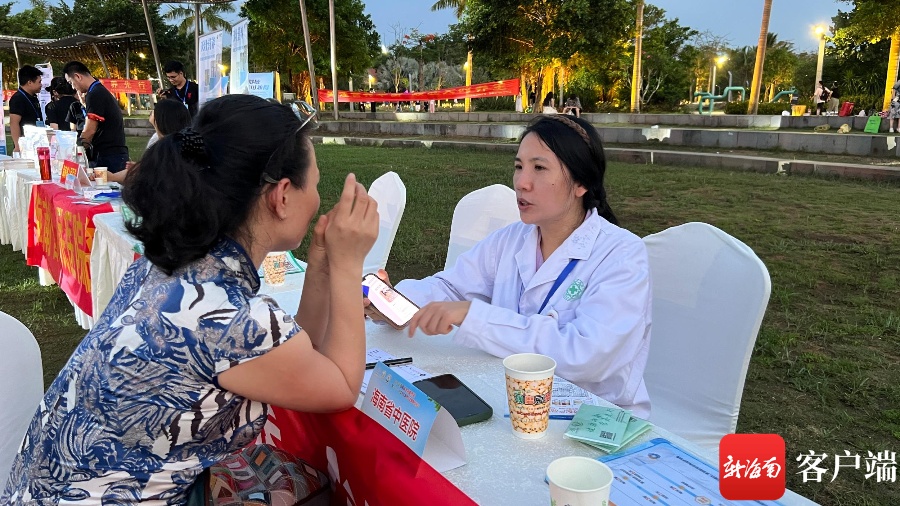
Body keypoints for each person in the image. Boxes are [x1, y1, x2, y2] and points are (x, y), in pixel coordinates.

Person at [1, 94, 380, 504]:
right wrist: (348, 265)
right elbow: (340, 386)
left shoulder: (174, 262)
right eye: (317, 185)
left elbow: (294, 358)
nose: (319, 198)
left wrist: (323, 262)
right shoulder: (229, 317)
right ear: (282, 195)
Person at [388, 115, 652, 418]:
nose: (522, 183)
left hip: (592, 416)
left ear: (581, 183)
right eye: (519, 166)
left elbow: (587, 355)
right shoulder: (511, 239)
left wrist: (473, 315)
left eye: (539, 168)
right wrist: (393, 301)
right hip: (515, 401)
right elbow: (450, 286)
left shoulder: (622, 254)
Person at [63, 61, 129, 173]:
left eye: (71, 82)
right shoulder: (98, 90)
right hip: (112, 154)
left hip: (108, 156)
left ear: (78, 76)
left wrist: (72, 151)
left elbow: (90, 131)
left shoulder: (95, 94)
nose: (73, 87)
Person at [110, 98, 193, 183]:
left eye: (155, 110)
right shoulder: (157, 139)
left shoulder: (170, 151)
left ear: (161, 119)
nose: (152, 112)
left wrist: (142, 170)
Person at [8, 65, 45, 154]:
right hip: (25, 146)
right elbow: (14, 122)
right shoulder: (18, 98)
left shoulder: (33, 97)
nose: (41, 85)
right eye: (39, 82)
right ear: (30, 82)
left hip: (36, 142)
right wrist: (17, 145)